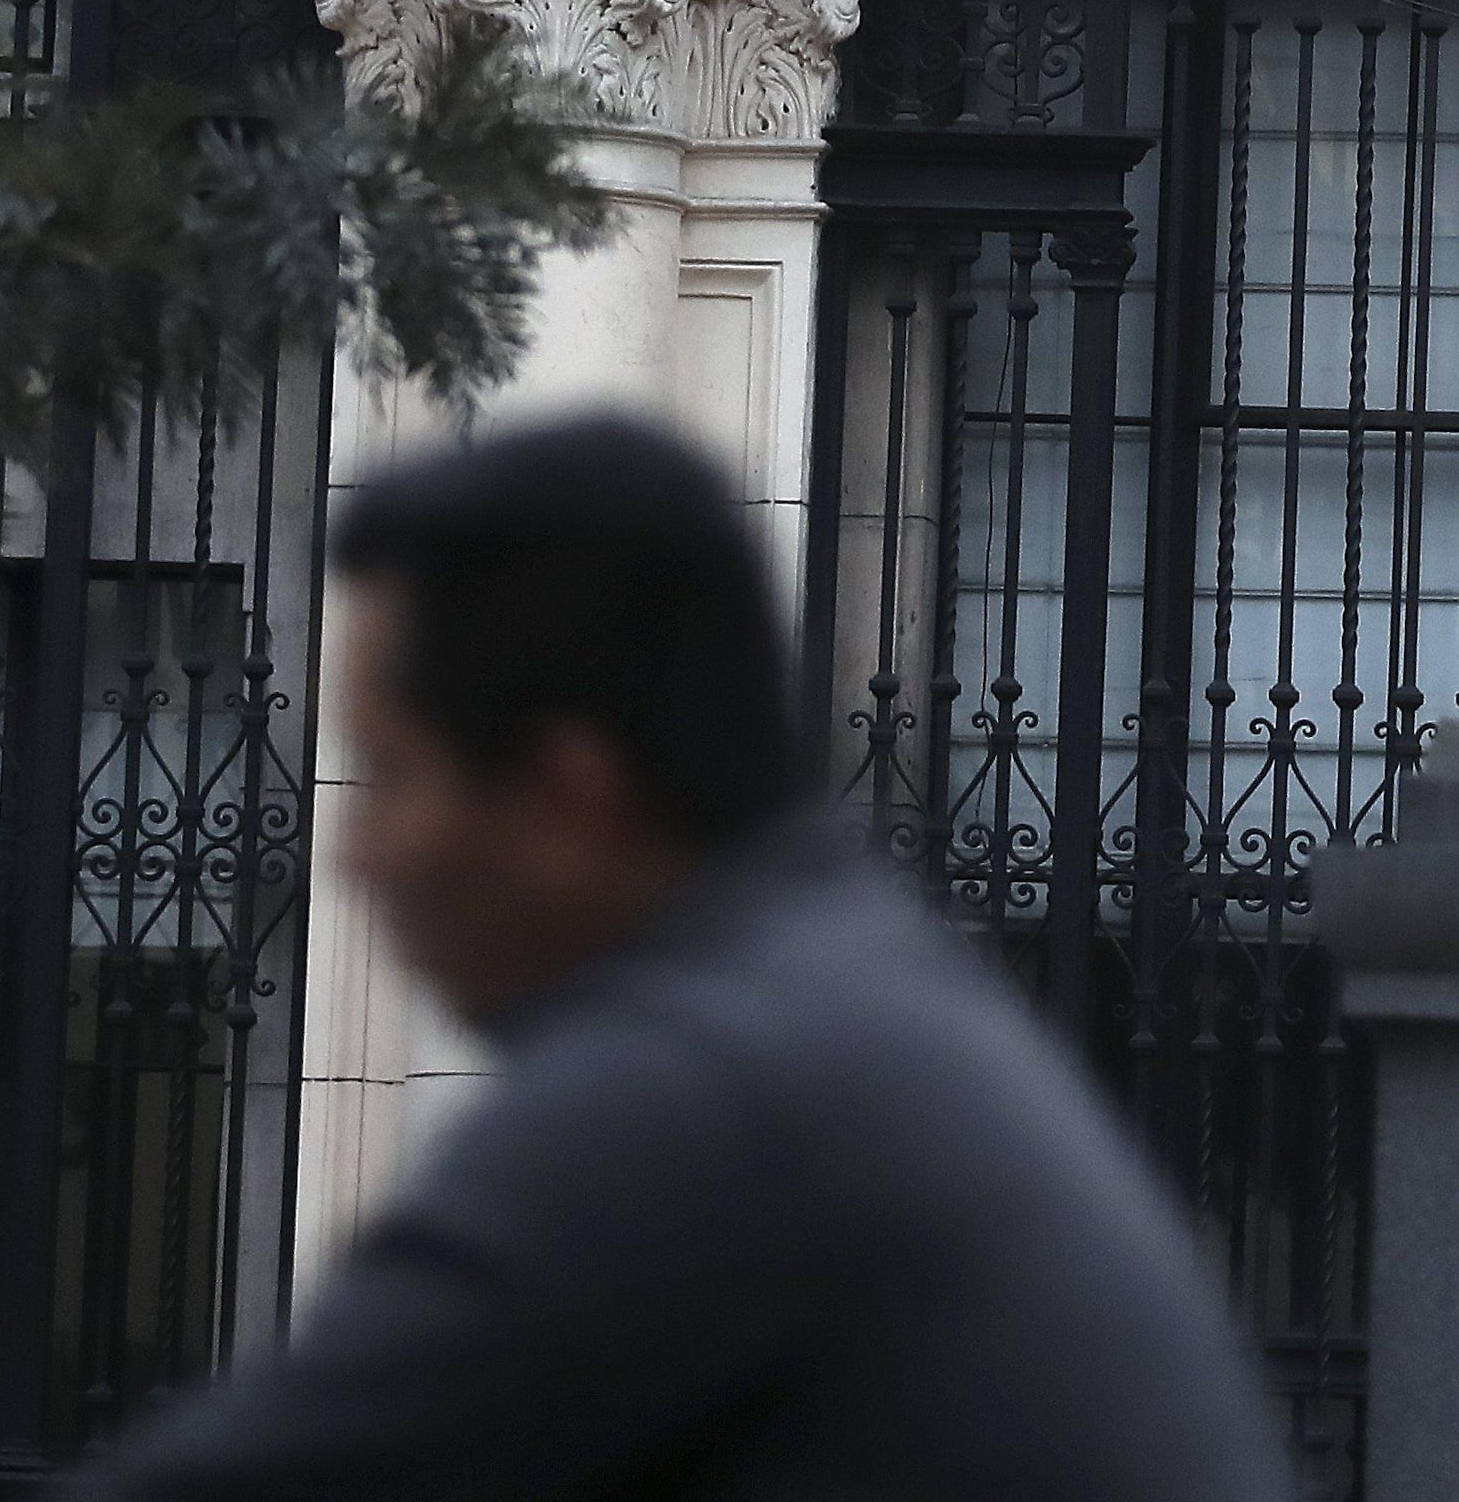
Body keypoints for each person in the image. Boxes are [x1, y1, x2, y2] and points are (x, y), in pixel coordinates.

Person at [76, 415, 1280, 1502]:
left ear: (570, 797)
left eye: (391, 775)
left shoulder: (703, 1091)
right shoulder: (838, 989)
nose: (351, 856)